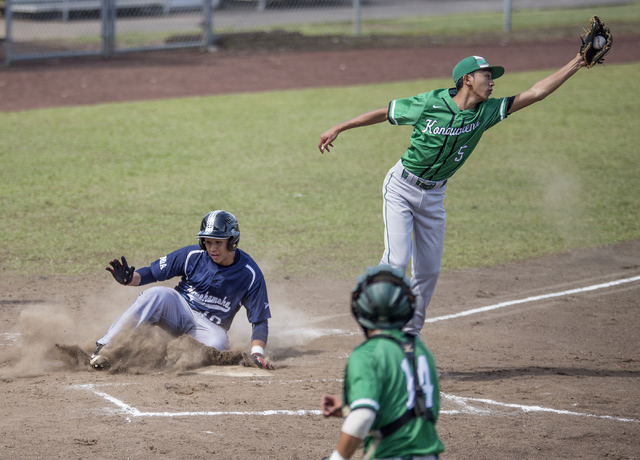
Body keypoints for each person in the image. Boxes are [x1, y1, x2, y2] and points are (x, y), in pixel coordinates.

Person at [318, 54, 587, 335]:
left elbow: (536, 92)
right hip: (401, 188)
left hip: (434, 198)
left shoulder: (487, 112)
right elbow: (385, 113)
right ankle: (377, 312)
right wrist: (339, 127)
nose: (492, 82)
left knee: (428, 272)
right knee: (396, 261)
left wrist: (577, 61)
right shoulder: (430, 102)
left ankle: (409, 336)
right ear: (467, 80)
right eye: (486, 75)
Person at [90, 210, 274, 370]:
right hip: (180, 309)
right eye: (208, 242)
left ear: (232, 242)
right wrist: (130, 279)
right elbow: (152, 273)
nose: (212, 248)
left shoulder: (250, 274)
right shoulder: (192, 255)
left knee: (217, 347)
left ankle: (159, 354)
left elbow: (259, 321)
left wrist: (257, 353)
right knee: (156, 294)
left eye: (218, 242)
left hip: (211, 327)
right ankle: (105, 347)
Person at [320, 264, 444, 460]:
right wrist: (349, 404)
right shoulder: (421, 351)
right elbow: (411, 403)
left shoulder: (367, 354)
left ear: (360, 308)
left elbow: (363, 417)